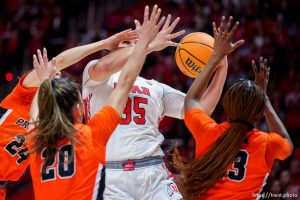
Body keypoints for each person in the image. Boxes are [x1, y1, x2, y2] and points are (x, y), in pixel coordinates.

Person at [82, 5, 230, 200]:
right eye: (127, 45)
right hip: (109, 175)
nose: (134, 48)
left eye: (136, 45)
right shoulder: (94, 75)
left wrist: (222, 65)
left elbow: (200, 110)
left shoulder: (156, 87)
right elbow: (107, 65)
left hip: (152, 171)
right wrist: (147, 44)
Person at [28, 5, 164, 200]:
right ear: (78, 110)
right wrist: (143, 44)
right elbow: (125, 83)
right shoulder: (90, 136)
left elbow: (35, 117)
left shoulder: (35, 140)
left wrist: (44, 83)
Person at [0, 29, 136, 200]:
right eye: (54, 75)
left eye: (58, 77)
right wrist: (104, 44)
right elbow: (58, 62)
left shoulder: (50, 127)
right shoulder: (22, 96)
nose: (56, 74)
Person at [176, 16, 293, 199]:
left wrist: (215, 58)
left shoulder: (208, 131)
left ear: (226, 108)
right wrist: (265, 100)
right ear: (258, 113)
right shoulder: (266, 143)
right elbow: (287, 144)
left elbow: (191, 100)